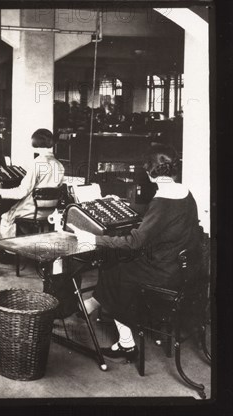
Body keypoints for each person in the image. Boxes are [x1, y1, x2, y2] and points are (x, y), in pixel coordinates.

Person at [70, 144, 202, 361]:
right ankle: (90, 306)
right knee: (119, 264)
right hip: (180, 267)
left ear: (150, 172)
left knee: (114, 266)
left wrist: (91, 238)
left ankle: (126, 344)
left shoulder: (164, 198)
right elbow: (158, 217)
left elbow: (135, 242)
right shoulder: (183, 193)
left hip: (165, 272)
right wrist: (120, 203)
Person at [0, 129, 65, 257]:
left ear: (36, 143)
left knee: (7, 216)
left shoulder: (37, 163)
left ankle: (8, 253)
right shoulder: (59, 165)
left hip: (32, 209)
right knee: (13, 210)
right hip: (49, 210)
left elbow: (21, 192)